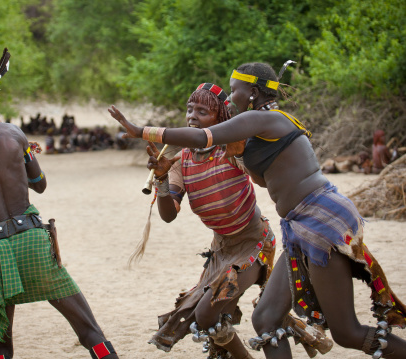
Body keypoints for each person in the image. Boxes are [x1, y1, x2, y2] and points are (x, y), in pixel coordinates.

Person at [108, 61, 406, 359]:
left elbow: (205, 138)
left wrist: (142, 131)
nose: (231, 95)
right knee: (265, 320)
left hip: (317, 218)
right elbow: (264, 181)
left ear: (252, 91)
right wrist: (168, 175)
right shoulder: (250, 134)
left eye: (234, 89)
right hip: (295, 225)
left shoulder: (264, 120)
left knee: (346, 332)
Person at [0, 51, 118, 359]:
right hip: (34, 242)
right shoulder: (14, 135)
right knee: (89, 331)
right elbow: (40, 184)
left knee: (0, 347)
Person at [145, 83, 276, 359]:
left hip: (254, 242)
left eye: (202, 112)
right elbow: (169, 215)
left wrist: (240, 150)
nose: (192, 116)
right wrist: (161, 179)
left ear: (219, 120)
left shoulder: (230, 150)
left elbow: (259, 180)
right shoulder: (182, 160)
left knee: (206, 314)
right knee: (210, 320)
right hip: (221, 250)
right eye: (190, 110)